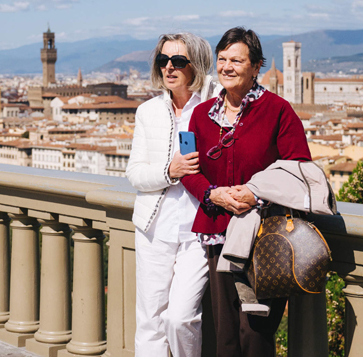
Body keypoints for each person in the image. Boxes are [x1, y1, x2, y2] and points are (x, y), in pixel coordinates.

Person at [182, 27, 312, 357]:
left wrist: (256, 195)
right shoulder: (200, 115)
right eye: (222, 59)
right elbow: (188, 172)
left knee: (255, 333)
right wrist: (212, 194)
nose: (226, 66)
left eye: (236, 60)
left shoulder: (278, 111)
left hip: (264, 238)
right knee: (224, 333)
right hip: (219, 237)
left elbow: (300, 170)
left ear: (256, 67)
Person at [126, 33, 220, 357]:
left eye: (178, 61)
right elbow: (135, 173)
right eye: (163, 60)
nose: (169, 67)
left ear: (197, 65)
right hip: (155, 227)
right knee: (150, 322)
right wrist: (171, 170)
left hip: (199, 229)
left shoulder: (215, 109)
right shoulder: (148, 112)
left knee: (181, 318)